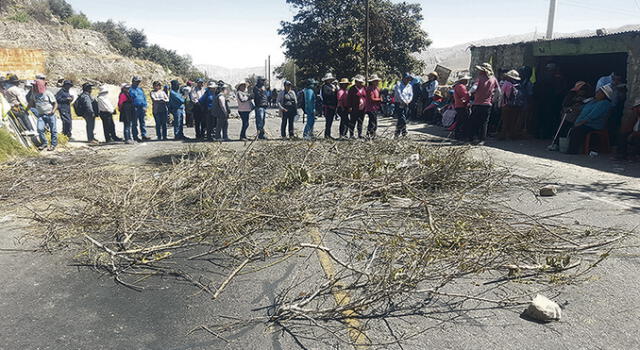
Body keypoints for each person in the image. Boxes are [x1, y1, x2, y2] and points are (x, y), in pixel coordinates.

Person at [567, 84, 613, 154]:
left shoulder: (604, 103)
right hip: (584, 122)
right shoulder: (593, 101)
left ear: (604, 95)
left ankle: (572, 150)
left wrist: (580, 122)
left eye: (599, 92)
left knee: (577, 130)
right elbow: (582, 108)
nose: (596, 93)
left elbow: (592, 115)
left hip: (593, 125)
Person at [548, 81, 593, 150]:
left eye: (583, 91)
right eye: (581, 90)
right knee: (563, 128)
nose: (582, 92)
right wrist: (575, 101)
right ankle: (556, 143)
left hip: (578, 116)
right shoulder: (571, 94)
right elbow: (565, 104)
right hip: (568, 115)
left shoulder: (588, 97)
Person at [467, 63, 501, 144]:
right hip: (487, 105)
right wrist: (493, 99)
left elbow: (474, 87)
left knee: (474, 121)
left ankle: (472, 137)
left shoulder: (480, 78)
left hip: (477, 104)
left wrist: (469, 92)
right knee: (484, 122)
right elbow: (499, 91)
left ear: (483, 71)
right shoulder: (493, 79)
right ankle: (482, 139)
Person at [28, 79, 58, 150]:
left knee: (53, 130)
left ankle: (53, 144)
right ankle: (44, 143)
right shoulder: (34, 94)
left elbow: (55, 103)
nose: (34, 87)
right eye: (33, 86)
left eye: (35, 86)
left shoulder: (48, 93)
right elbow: (31, 103)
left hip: (50, 115)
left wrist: (53, 111)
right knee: (40, 129)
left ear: (40, 86)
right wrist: (26, 110)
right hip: (41, 115)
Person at [498, 69, 525, 140]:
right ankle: (512, 135)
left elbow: (502, 94)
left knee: (505, 121)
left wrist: (499, 104)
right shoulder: (518, 85)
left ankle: (503, 135)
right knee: (513, 121)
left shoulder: (506, 83)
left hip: (506, 104)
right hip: (515, 105)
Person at [129, 76, 150, 142]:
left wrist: (145, 106)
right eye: (137, 81)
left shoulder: (140, 89)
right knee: (134, 123)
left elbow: (144, 98)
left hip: (142, 108)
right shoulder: (130, 90)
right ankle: (135, 136)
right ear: (133, 81)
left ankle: (144, 135)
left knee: (142, 122)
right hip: (134, 108)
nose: (138, 83)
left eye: (139, 82)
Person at [394, 73, 414, 138]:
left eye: (409, 79)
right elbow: (398, 94)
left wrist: (408, 101)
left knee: (402, 118)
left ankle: (397, 133)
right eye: (407, 79)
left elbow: (411, 95)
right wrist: (404, 101)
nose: (408, 80)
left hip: (407, 104)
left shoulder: (409, 86)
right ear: (403, 78)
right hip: (399, 103)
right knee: (402, 118)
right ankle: (404, 132)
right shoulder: (398, 84)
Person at [319, 73, 338, 139]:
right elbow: (325, 95)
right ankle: (327, 135)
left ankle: (328, 134)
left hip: (333, 106)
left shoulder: (332, 86)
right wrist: (332, 91)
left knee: (330, 121)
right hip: (328, 106)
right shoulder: (324, 87)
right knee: (328, 121)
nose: (330, 80)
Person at [452, 75, 471, 140]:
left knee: (459, 121)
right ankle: (462, 135)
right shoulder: (461, 87)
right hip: (462, 105)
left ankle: (457, 135)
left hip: (458, 105)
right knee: (464, 121)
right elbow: (465, 96)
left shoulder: (457, 86)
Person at [365, 74, 382, 138]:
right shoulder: (369, 89)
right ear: (372, 82)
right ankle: (370, 134)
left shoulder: (377, 88)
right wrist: (380, 99)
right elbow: (371, 98)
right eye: (375, 81)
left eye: (377, 81)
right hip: (370, 107)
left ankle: (372, 133)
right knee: (372, 122)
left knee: (374, 121)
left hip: (375, 107)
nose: (377, 82)